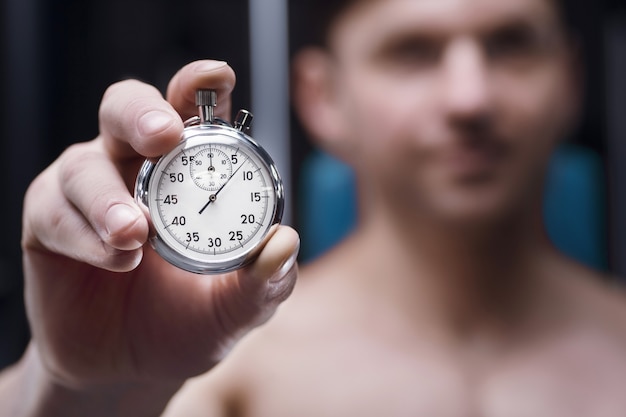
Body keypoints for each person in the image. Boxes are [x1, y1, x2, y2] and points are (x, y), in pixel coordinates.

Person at [2, 0, 626, 415]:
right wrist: (72, 391)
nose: (470, 98)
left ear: (571, 79)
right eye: (412, 51)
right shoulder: (218, 363)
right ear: (321, 97)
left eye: (511, 44)